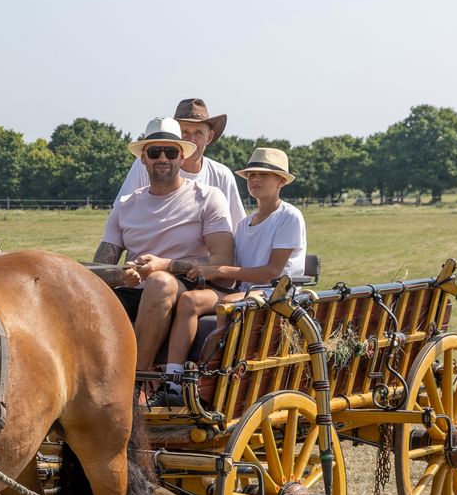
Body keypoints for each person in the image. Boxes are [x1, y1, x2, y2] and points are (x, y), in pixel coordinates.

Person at [153, 148, 305, 407]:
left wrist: (219, 271)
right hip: (246, 290)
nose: (255, 179)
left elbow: (272, 271)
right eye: (251, 175)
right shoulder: (244, 225)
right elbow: (237, 269)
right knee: (189, 300)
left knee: (230, 303)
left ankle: (212, 378)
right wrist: (202, 270)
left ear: (281, 181)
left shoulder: (288, 216)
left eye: (263, 175)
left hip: (276, 293)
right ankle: (174, 379)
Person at [92, 117, 234, 373]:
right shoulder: (125, 205)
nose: (163, 158)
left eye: (170, 151)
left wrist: (165, 266)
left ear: (181, 156)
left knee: (159, 282)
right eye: (155, 151)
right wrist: (122, 275)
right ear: (143, 158)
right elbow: (102, 264)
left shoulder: (208, 198)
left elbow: (223, 259)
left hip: (186, 286)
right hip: (133, 290)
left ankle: (134, 380)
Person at [114, 98, 247, 228]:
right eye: (185, 133)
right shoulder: (146, 165)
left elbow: (238, 228)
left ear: (210, 137)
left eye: (198, 133)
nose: (191, 140)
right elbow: (119, 215)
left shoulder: (222, 175)